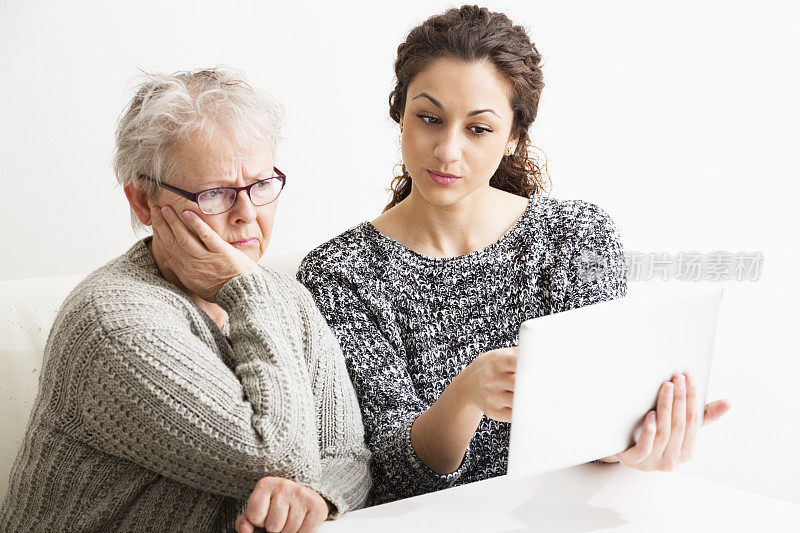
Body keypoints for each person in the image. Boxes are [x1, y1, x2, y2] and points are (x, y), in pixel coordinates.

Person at [297, 6, 730, 506]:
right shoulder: (341, 271)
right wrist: (466, 395)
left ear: (514, 138)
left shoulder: (575, 238)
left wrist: (631, 444)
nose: (447, 150)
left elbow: (591, 425)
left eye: (478, 128)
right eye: (429, 119)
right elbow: (388, 477)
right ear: (400, 115)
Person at [0, 68, 371, 533]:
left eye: (260, 185)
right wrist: (248, 290)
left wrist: (314, 498)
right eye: (214, 193)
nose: (247, 214)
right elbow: (276, 455)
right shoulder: (111, 323)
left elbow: (348, 455)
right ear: (142, 201)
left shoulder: (283, 299)